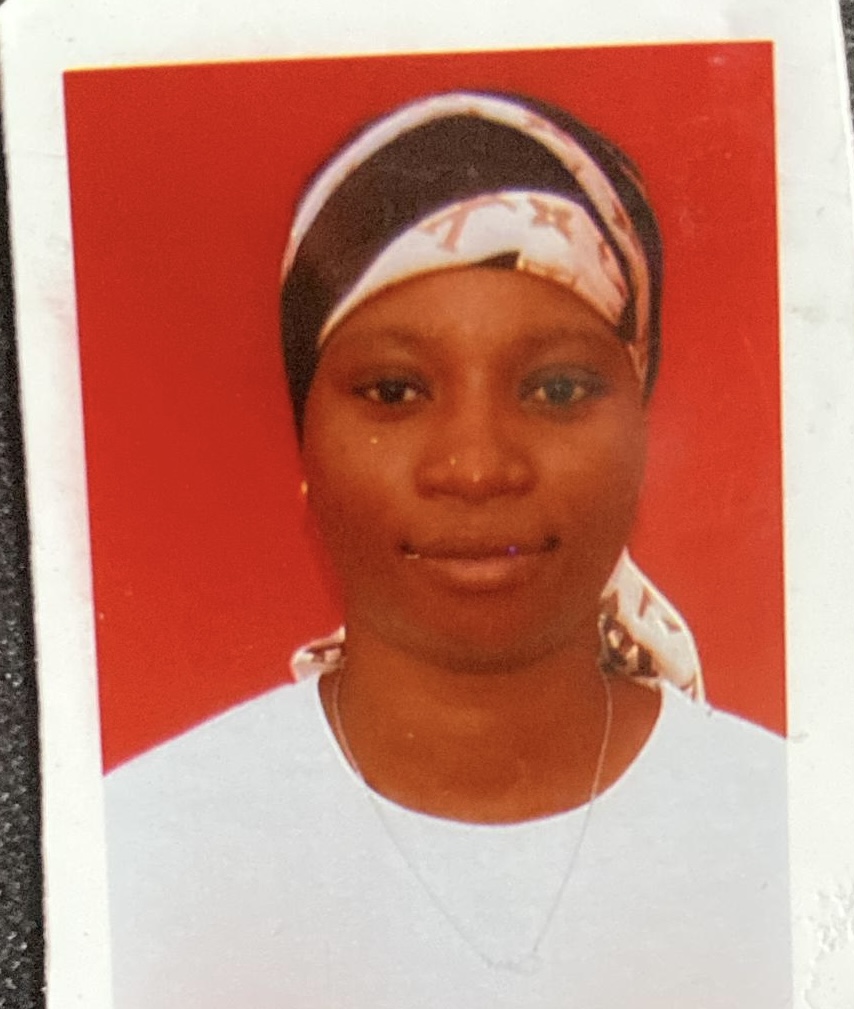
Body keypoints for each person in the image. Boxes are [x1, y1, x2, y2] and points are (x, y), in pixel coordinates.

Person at [104, 91, 791, 1007]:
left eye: (556, 389)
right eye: (394, 392)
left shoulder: (802, 832)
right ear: (305, 441)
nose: (476, 467)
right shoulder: (131, 854)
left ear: (641, 421)